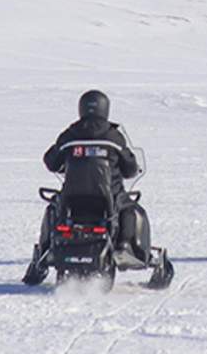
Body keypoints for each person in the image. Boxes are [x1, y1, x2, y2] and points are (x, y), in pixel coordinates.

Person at [29, 89, 150, 279]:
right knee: (131, 209)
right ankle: (125, 245)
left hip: (72, 198)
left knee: (53, 207)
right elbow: (130, 168)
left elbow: (51, 161)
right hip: (108, 197)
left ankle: (44, 250)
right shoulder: (113, 137)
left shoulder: (70, 134)